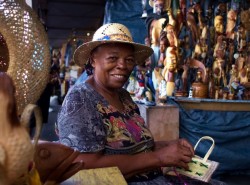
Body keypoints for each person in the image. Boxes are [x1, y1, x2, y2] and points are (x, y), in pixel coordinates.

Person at [57, 23, 226, 185]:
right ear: (93, 59)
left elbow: (132, 148)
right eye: (113, 58)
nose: (123, 65)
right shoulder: (80, 99)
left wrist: (167, 146)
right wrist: (159, 158)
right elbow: (82, 166)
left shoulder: (124, 97)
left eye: (129, 60)